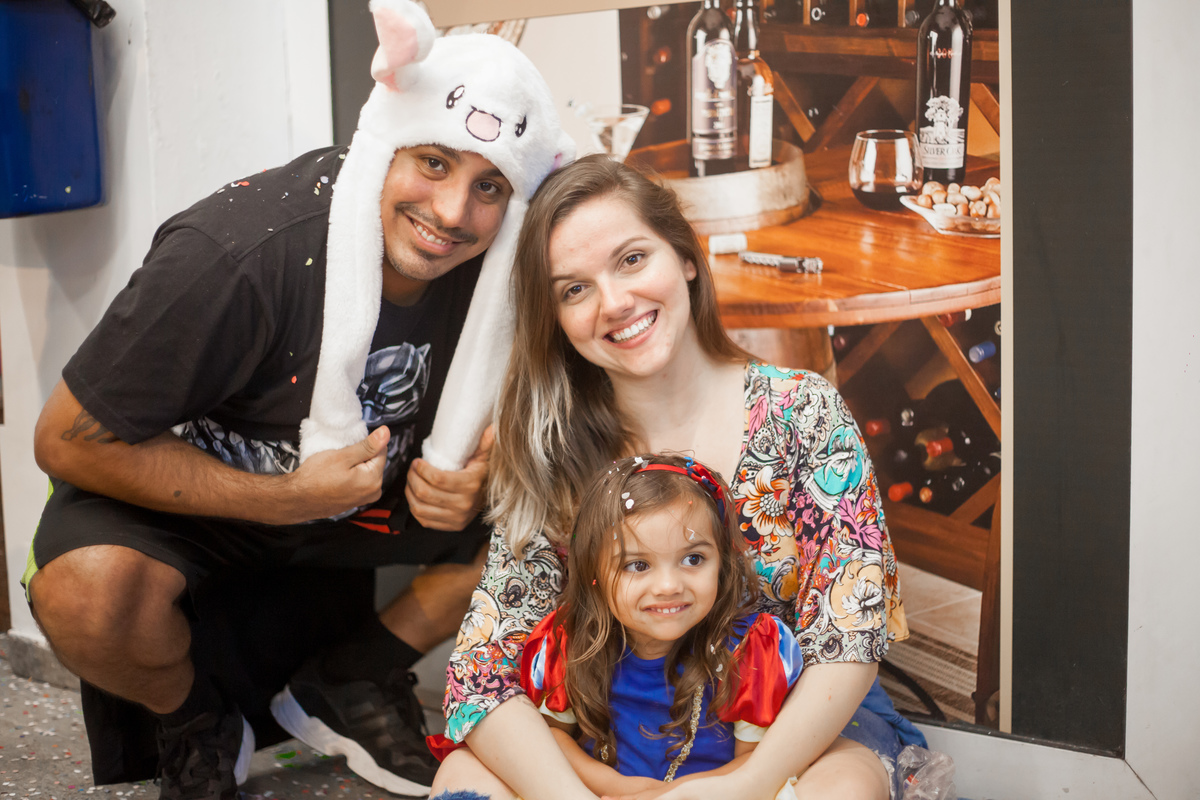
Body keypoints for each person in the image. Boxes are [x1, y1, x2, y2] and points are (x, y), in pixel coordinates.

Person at [24, 1, 574, 798]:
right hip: (211, 498)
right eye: (433, 163)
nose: (453, 214)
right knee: (84, 590)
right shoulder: (238, 252)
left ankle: (353, 676)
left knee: (574, 514)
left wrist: (482, 476)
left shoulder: (508, 266)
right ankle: (197, 721)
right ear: (387, 140)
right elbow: (65, 439)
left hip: (365, 500)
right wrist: (284, 499)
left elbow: (548, 418)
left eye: (488, 185)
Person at [430, 154, 924, 800]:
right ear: (554, 318)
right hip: (612, 736)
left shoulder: (801, 411)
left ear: (685, 257)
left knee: (842, 791)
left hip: (793, 735)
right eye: (574, 290)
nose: (614, 302)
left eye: (632, 259)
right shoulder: (554, 449)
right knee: (461, 777)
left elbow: (850, 637)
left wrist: (743, 788)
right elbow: (482, 675)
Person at [430, 453, 804, 796]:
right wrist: (620, 788)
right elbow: (553, 740)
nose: (669, 586)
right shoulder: (574, 641)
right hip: (594, 794)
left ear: (722, 561)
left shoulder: (748, 650)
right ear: (595, 573)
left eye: (693, 559)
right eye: (637, 565)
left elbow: (754, 764)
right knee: (460, 768)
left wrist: (667, 796)